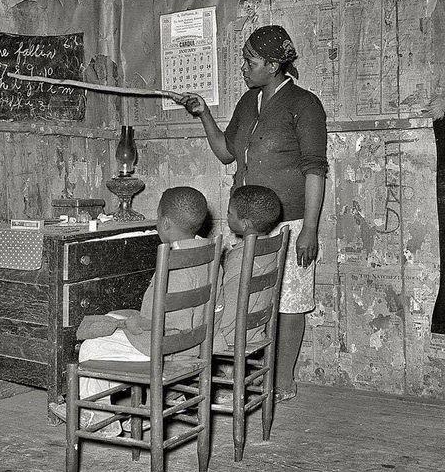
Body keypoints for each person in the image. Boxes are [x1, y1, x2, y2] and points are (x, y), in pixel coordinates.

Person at [173, 25, 328, 402]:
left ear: (274, 65)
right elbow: (226, 152)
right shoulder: (248, 101)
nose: (244, 67)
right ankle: (239, 375)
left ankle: (283, 380)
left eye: (251, 61)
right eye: (245, 60)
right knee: (238, 298)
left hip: (287, 224)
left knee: (289, 302)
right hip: (242, 224)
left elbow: (315, 169)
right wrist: (203, 113)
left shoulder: (304, 105)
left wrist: (309, 229)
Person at [49, 186, 212, 437]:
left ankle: (99, 417)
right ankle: (138, 406)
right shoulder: (209, 253)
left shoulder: (171, 261)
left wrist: (132, 324)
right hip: (194, 344)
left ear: (165, 222)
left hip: (166, 348)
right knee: (115, 319)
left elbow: (162, 325)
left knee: (93, 347)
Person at [214, 184, 282, 351]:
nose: (227, 216)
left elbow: (227, 306)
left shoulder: (241, 256)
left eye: (230, 213)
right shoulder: (270, 248)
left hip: (230, 335)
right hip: (254, 332)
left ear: (244, 224)